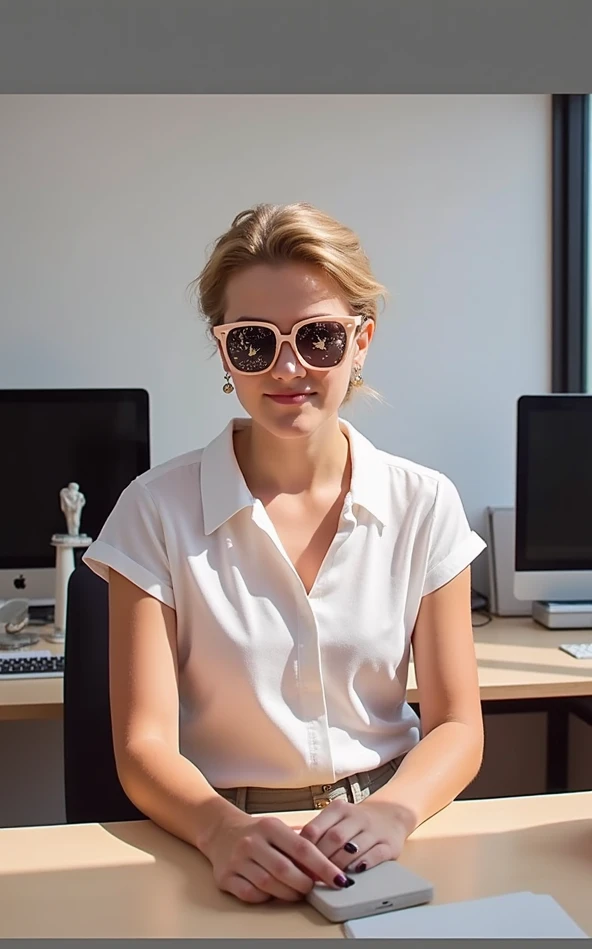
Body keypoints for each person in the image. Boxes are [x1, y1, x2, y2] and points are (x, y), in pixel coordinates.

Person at [83, 202, 486, 906]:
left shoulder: (425, 504)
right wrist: (219, 830)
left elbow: (457, 724)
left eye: (320, 337)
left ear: (361, 342)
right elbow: (142, 746)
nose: (288, 367)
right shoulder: (154, 511)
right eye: (253, 343)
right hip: (218, 839)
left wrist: (394, 810)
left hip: (391, 832)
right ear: (223, 350)